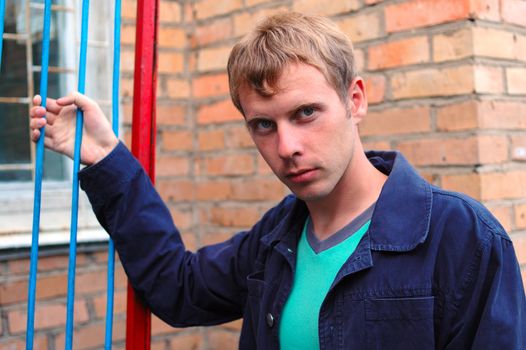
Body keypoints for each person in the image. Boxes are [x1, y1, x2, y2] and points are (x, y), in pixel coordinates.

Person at [30, 12, 525, 350]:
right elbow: (176, 288)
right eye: (263, 124)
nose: (286, 146)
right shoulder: (275, 239)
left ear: (355, 100)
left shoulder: (460, 235)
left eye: (305, 112)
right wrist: (105, 158)